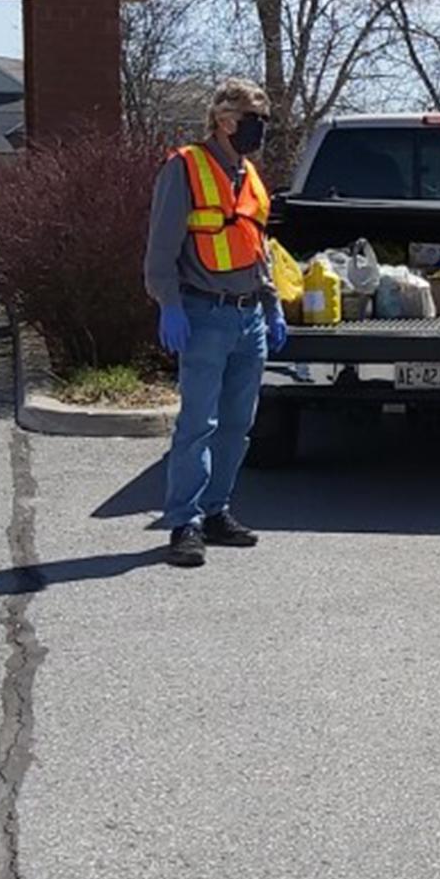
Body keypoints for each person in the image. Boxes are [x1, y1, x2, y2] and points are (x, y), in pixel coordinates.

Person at [143, 79, 288, 569]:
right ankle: (185, 523)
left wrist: (271, 304)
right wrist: (168, 303)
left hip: (248, 315)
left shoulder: (247, 173)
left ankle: (216, 509)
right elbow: (161, 246)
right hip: (202, 313)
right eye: (253, 120)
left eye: (263, 121)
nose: (259, 131)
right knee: (197, 425)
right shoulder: (184, 167)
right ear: (225, 120)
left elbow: (257, 246)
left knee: (237, 425)